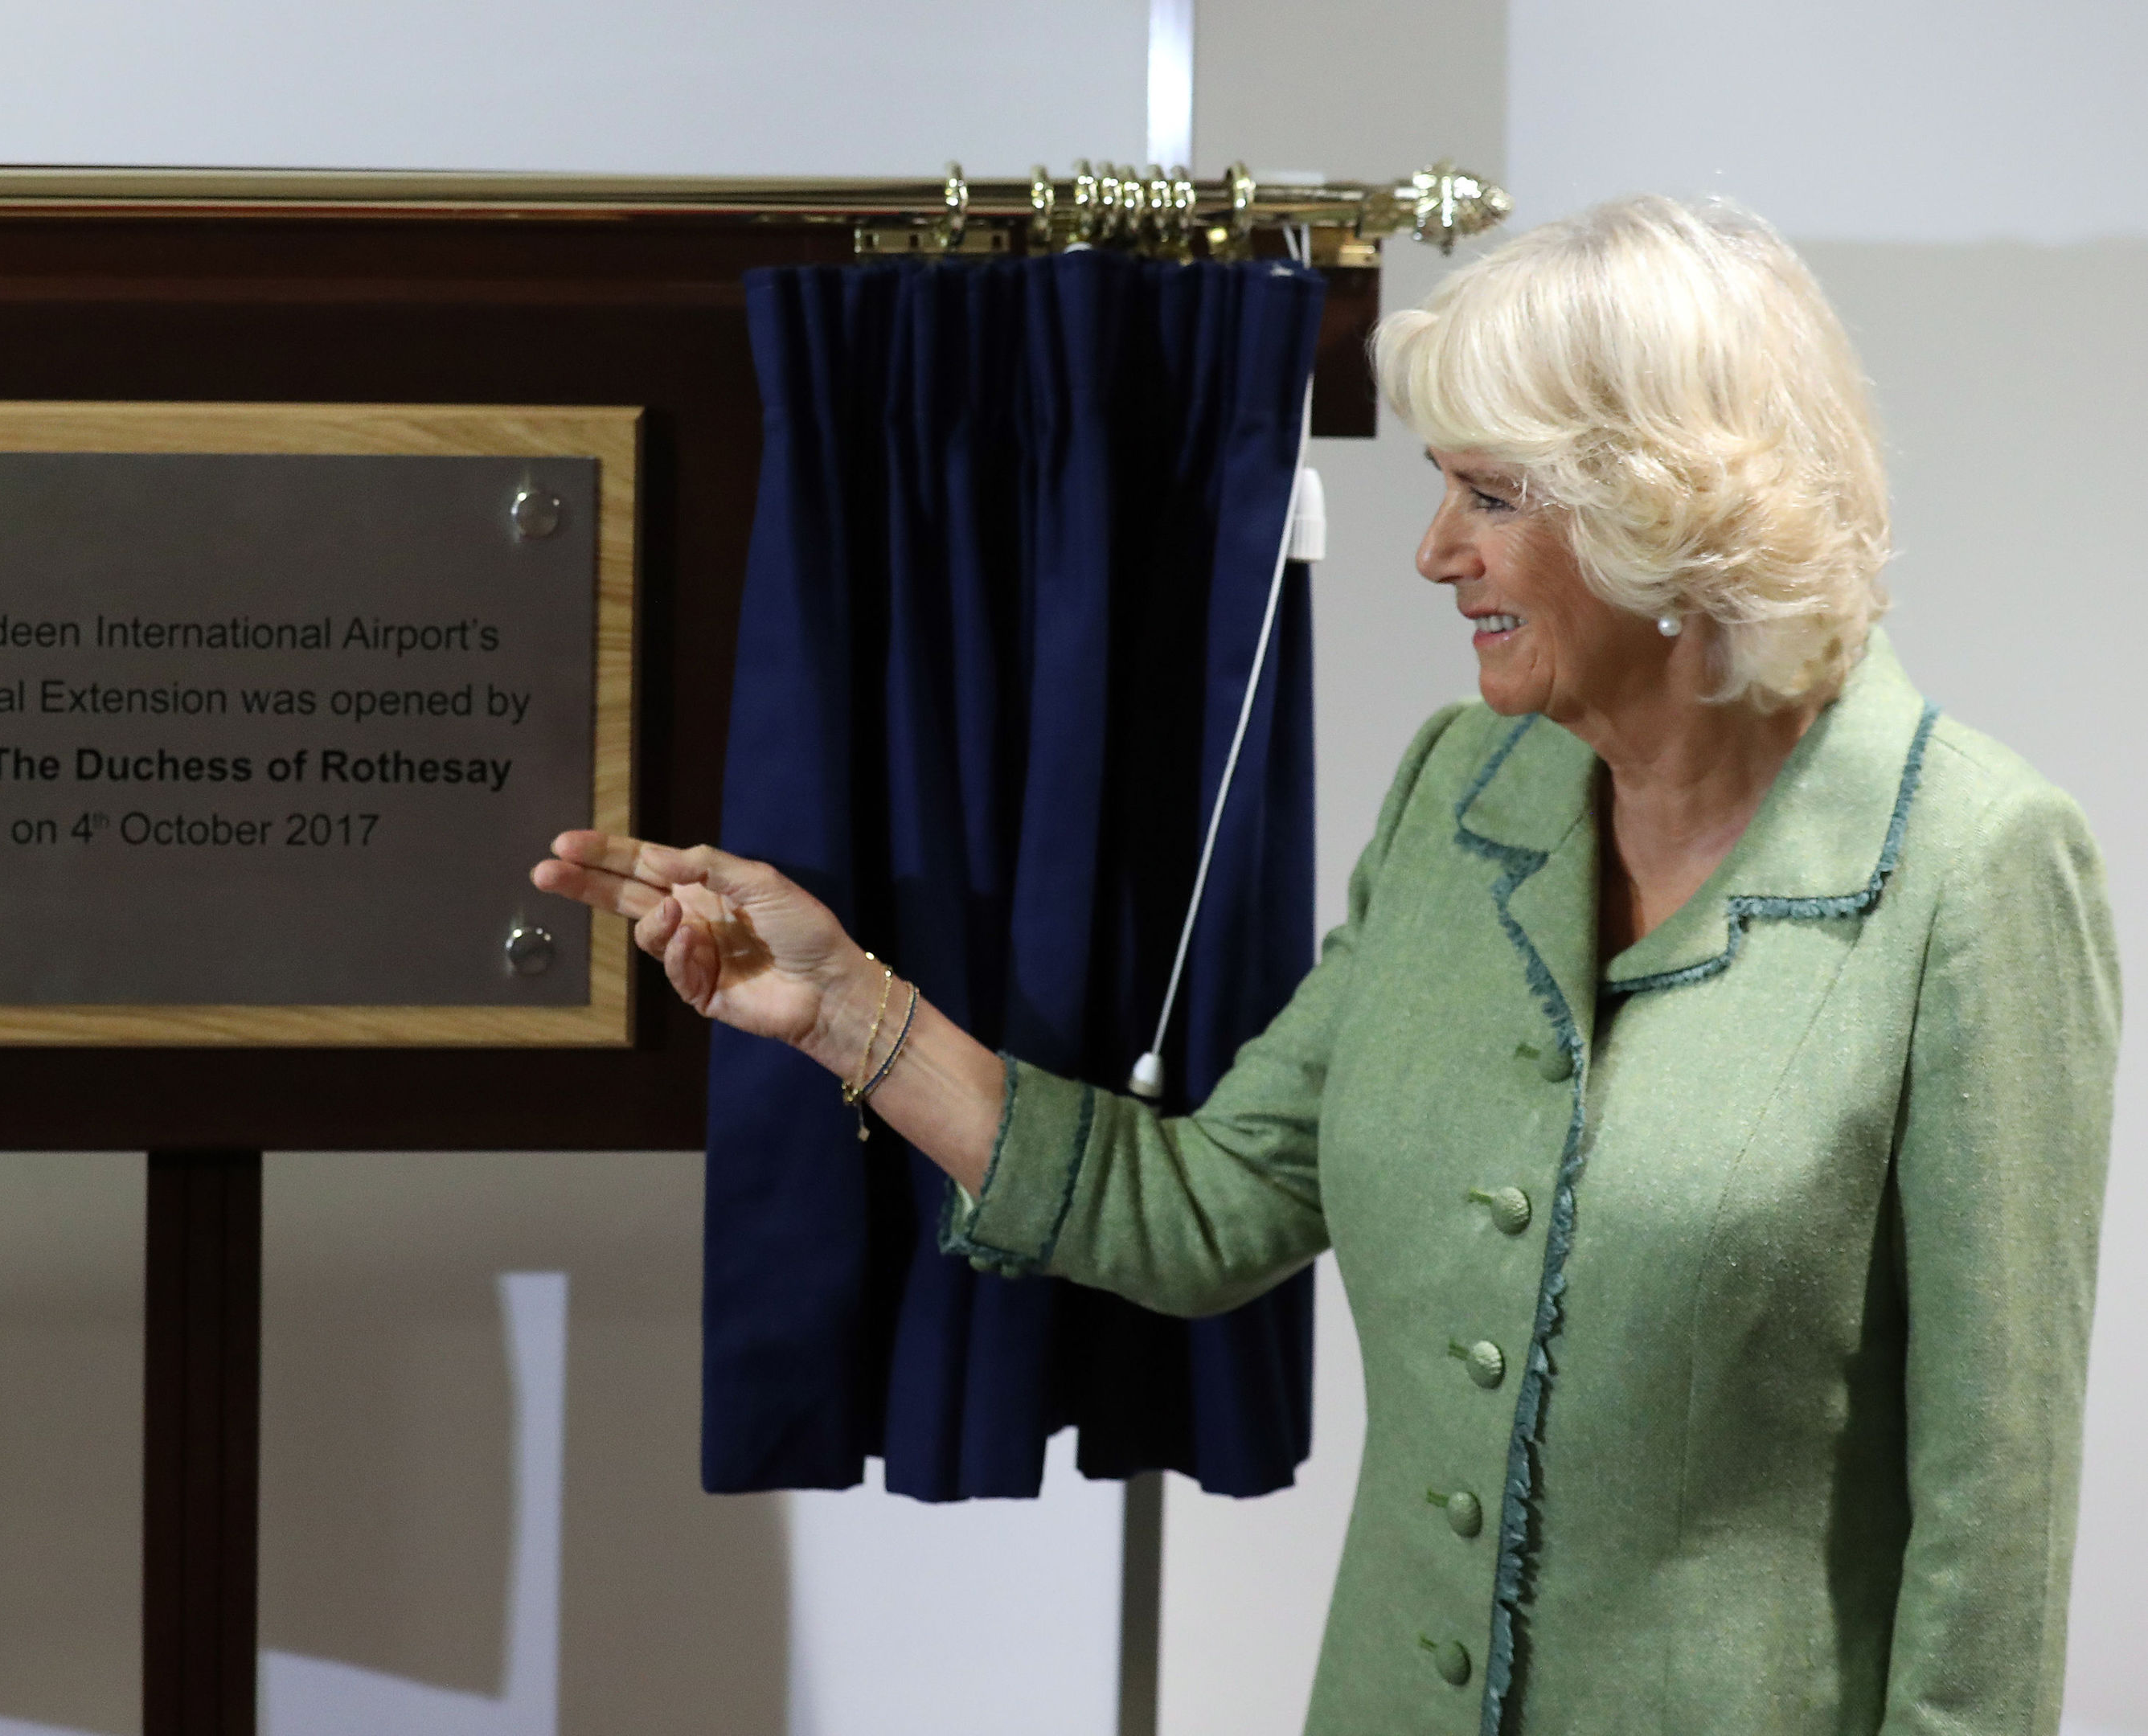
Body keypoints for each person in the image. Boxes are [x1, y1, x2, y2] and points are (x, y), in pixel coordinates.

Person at [531, 195, 2119, 1735]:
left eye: (1489, 496)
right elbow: (1204, 1210)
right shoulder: (1463, 792)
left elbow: (1995, 1513)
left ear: (1669, 514)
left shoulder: (1973, 867)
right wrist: (845, 1011)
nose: (1433, 552)